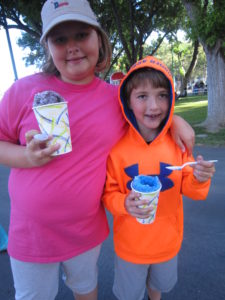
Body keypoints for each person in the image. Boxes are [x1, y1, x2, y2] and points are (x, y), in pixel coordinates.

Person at [0, 0, 194, 299]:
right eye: (60, 39)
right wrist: (26, 156)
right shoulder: (23, 91)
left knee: (86, 291)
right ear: (48, 46)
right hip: (31, 233)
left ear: (99, 39)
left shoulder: (115, 98)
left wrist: (176, 120)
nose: (73, 46)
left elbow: (147, 110)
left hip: (85, 232)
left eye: (81, 34)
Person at [102, 56, 216, 300]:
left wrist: (200, 176)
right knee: (129, 294)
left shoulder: (177, 144)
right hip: (130, 247)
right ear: (128, 101)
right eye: (142, 96)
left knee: (157, 289)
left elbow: (192, 188)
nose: (154, 106)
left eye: (162, 95)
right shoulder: (117, 150)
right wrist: (124, 203)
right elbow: (108, 194)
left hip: (167, 243)